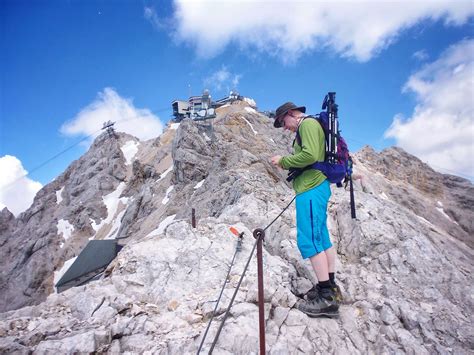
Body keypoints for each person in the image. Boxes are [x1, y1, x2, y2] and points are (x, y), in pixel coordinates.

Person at [270, 102, 340, 318]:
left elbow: (309, 156)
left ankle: (326, 298)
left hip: (310, 189)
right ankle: (329, 286)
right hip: (315, 188)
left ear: (291, 114)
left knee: (309, 240)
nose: (284, 127)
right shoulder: (311, 125)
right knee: (322, 238)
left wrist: (284, 160)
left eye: (283, 122)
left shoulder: (307, 125)